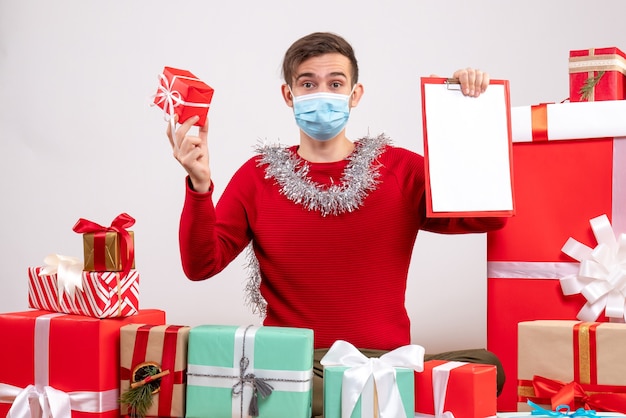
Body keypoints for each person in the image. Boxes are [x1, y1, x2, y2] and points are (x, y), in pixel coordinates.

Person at [167, 31, 507, 417]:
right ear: (289, 95)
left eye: (335, 83)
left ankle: (358, 394)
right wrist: (198, 185)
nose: (321, 93)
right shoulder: (256, 176)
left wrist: (466, 113)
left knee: (486, 366)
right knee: (290, 388)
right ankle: (357, 397)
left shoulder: (400, 169)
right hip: (299, 366)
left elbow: (489, 216)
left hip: (386, 361)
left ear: (355, 94)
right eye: (308, 84)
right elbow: (200, 265)